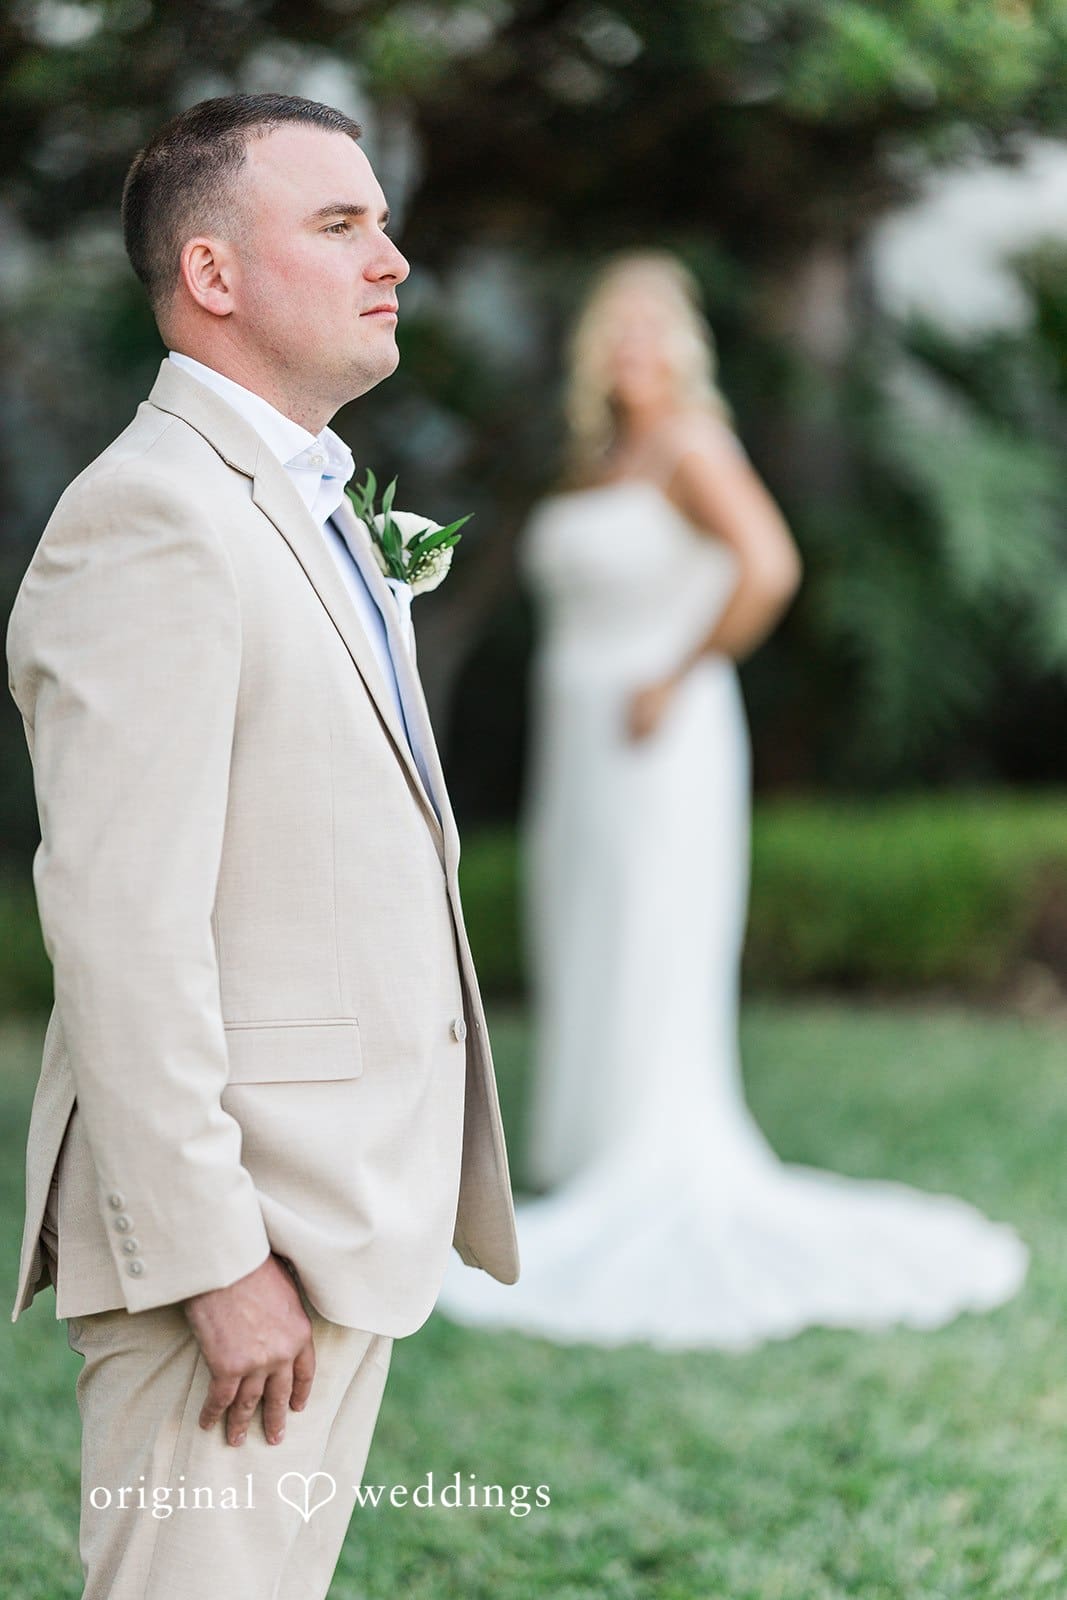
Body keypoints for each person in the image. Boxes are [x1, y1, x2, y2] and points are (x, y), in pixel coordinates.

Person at [7, 93, 518, 1600]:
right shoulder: (151, 519)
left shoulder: (301, 503)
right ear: (214, 275)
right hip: (242, 1240)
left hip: (340, 1210)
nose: (395, 260)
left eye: (384, 222)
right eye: (341, 223)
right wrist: (210, 1260)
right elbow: (117, 923)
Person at [436, 249, 1027, 1350]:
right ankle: (586, 1137)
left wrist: (675, 669)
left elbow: (767, 564)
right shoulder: (591, 460)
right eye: (612, 330)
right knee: (590, 925)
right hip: (584, 740)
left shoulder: (690, 447)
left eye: (649, 330)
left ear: (683, 345)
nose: (630, 351)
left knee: (653, 928)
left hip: (660, 734)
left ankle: (652, 1142)